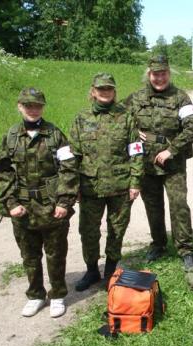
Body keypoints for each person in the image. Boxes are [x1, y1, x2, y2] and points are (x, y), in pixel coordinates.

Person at [0, 87, 78, 317]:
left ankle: (58, 294)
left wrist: (64, 202)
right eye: (28, 105)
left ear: (43, 107)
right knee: (29, 256)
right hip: (23, 209)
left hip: (51, 207)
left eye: (37, 105)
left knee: (56, 253)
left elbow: (69, 169)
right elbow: (3, 173)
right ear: (20, 106)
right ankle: (36, 295)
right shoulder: (11, 136)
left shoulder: (55, 135)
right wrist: (10, 204)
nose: (33, 109)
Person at [69, 73, 143, 292]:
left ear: (114, 91)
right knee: (88, 231)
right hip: (91, 187)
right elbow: (73, 155)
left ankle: (110, 271)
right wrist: (74, 187)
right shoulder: (81, 118)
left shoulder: (126, 116)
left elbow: (136, 151)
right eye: (101, 89)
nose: (105, 92)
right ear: (93, 91)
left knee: (117, 229)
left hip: (121, 186)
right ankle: (91, 270)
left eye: (109, 89)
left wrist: (135, 182)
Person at [126, 55, 193, 269]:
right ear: (149, 75)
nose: (159, 78)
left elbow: (192, 127)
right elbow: (120, 120)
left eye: (163, 74)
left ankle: (185, 248)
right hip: (147, 162)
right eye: (155, 74)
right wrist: (133, 131)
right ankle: (158, 244)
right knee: (153, 206)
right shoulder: (136, 98)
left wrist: (172, 150)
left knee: (178, 205)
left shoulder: (180, 97)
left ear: (169, 73)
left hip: (173, 163)